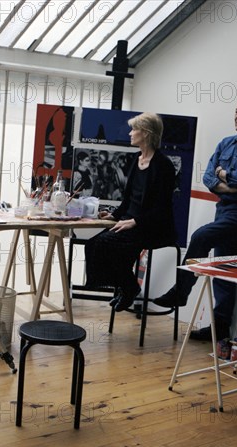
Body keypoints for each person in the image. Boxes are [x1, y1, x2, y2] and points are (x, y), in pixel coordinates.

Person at [154, 97, 237, 341]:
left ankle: (181, 291)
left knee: (201, 235)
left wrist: (225, 175)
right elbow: (209, 178)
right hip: (225, 208)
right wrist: (229, 186)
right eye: (236, 111)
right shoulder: (226, 143)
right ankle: (220, 327)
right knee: (224, 268)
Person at [84, 113, 176, 312]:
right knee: (92, 245)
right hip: (130, 221)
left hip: (151, 226)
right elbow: (128, 198)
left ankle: (128, 287)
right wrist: (115, 216)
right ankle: (127, 287)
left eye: (134, 129)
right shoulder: (137, 158)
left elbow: (162, 208)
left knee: (103, 245)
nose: (130, 133)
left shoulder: (163, 166)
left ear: (146, 133)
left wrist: (136, 222)